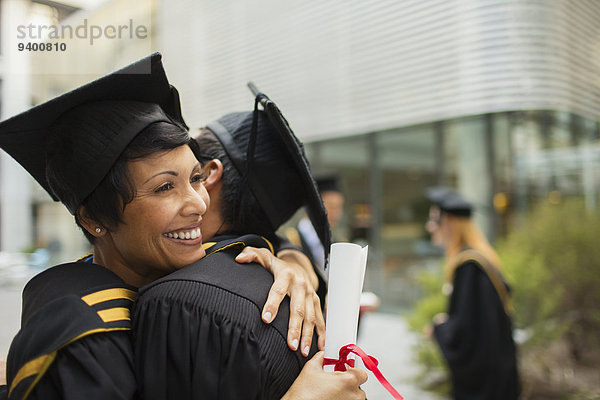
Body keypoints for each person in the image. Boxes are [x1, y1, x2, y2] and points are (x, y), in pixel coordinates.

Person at [0, 54, 365, 399]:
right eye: (164, 187)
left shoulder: (183, 269)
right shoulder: (82, 335)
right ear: (94, 219)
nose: (198, 203)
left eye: (195, 178)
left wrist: (292, 259)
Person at [133, 91, 367, 400]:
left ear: (208, 174)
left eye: (191, 171)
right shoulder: (296, 296)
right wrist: (293, 256)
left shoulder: (178, 301)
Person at [424, 187, 519, 400]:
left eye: (433, 220)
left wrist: (440, 328)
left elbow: (467, 332)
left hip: (486, 382)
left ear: (448, 222)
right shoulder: (480, 259)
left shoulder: (470, 268)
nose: (429, 226)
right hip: (499, 369)